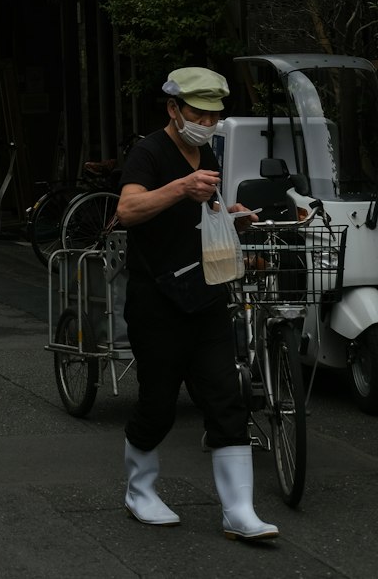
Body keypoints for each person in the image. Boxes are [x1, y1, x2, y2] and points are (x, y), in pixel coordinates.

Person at [117, 66, 277, 542]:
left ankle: (239, 511)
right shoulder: (148, 151)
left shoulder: (206, 151)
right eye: (197, 113)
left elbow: (203, 210)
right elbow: (128, 210)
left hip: (206, 293)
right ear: (173, 108)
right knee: (158, 405)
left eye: (214, 115)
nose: (206, 122)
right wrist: (180, 188)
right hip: (157, 300)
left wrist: (230, 216)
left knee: (227, 399)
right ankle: (139, 491)